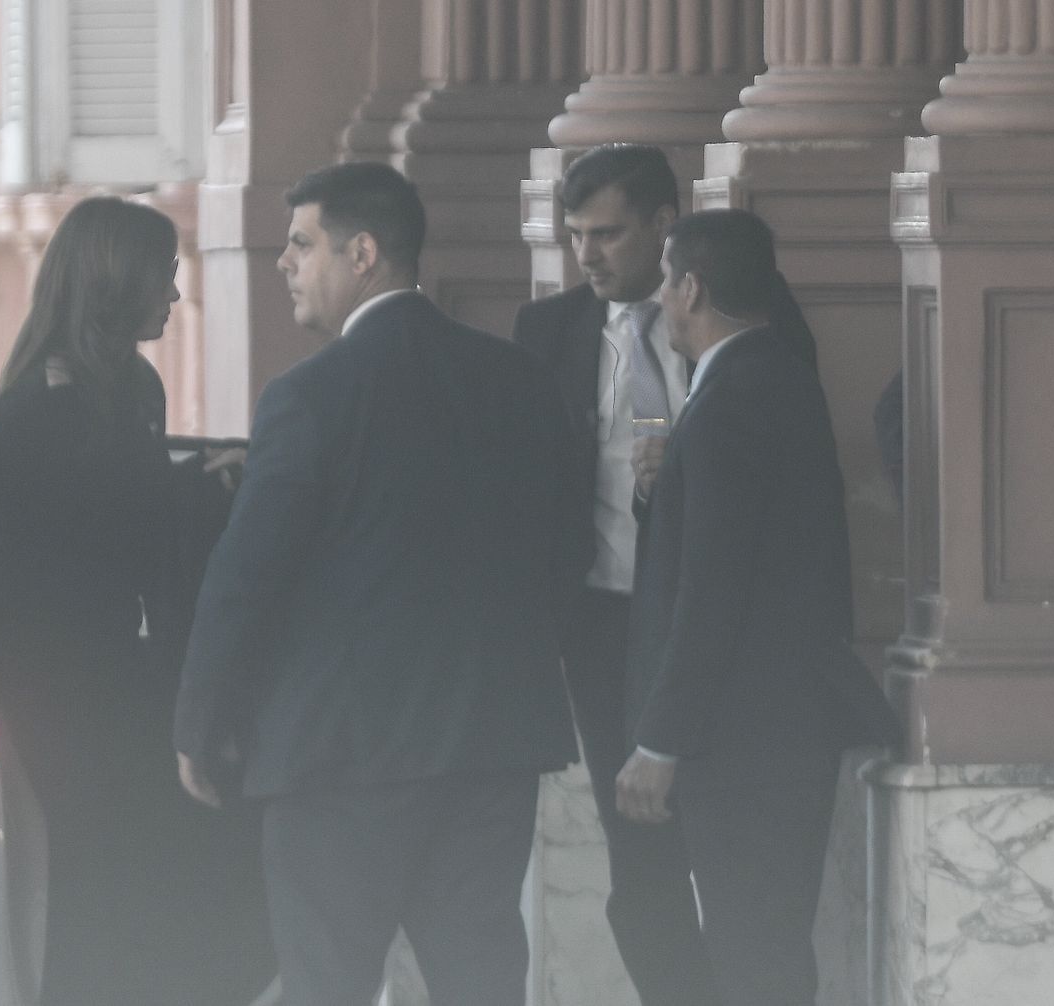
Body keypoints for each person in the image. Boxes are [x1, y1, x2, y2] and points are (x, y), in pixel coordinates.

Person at [174, 161, 581, 1006]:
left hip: (341, 755)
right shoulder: (520, 382)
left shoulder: (309, 398)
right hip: (490, 740)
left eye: (300, 244)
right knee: (482, 980)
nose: (283, 262)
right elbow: (562, 549)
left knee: (328, 984)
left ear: (363, 254)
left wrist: (199, 720)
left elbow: (247, 577)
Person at [0, 197, 268, 1006]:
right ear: (117, 284)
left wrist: (195, 481)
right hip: (53, 677)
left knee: (147, 855)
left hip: (122, 665)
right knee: (106, 858)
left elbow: (126, 511)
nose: (176, 297)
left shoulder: (134, 389)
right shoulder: (44, 404)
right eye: (165, 279)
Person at [509, 143, 820, 1006]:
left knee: (741, 869)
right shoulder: (548, 332)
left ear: (663, 225)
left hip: (718, 629)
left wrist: (682, 461)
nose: (588, 255)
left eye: (606, 233)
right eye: (575, 236)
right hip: (606, 623)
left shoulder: (745, 312)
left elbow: (771, 447)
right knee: (638, 860)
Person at [616, 209, 899, 1005]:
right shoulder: (773, 376)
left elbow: (712, 590)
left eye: (668, 282)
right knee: (762, 952)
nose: (663, 300)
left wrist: (660, 741)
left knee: (754, 959)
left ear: (692, 286)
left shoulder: (733, 399)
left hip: (747, 745)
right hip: (777, 736)